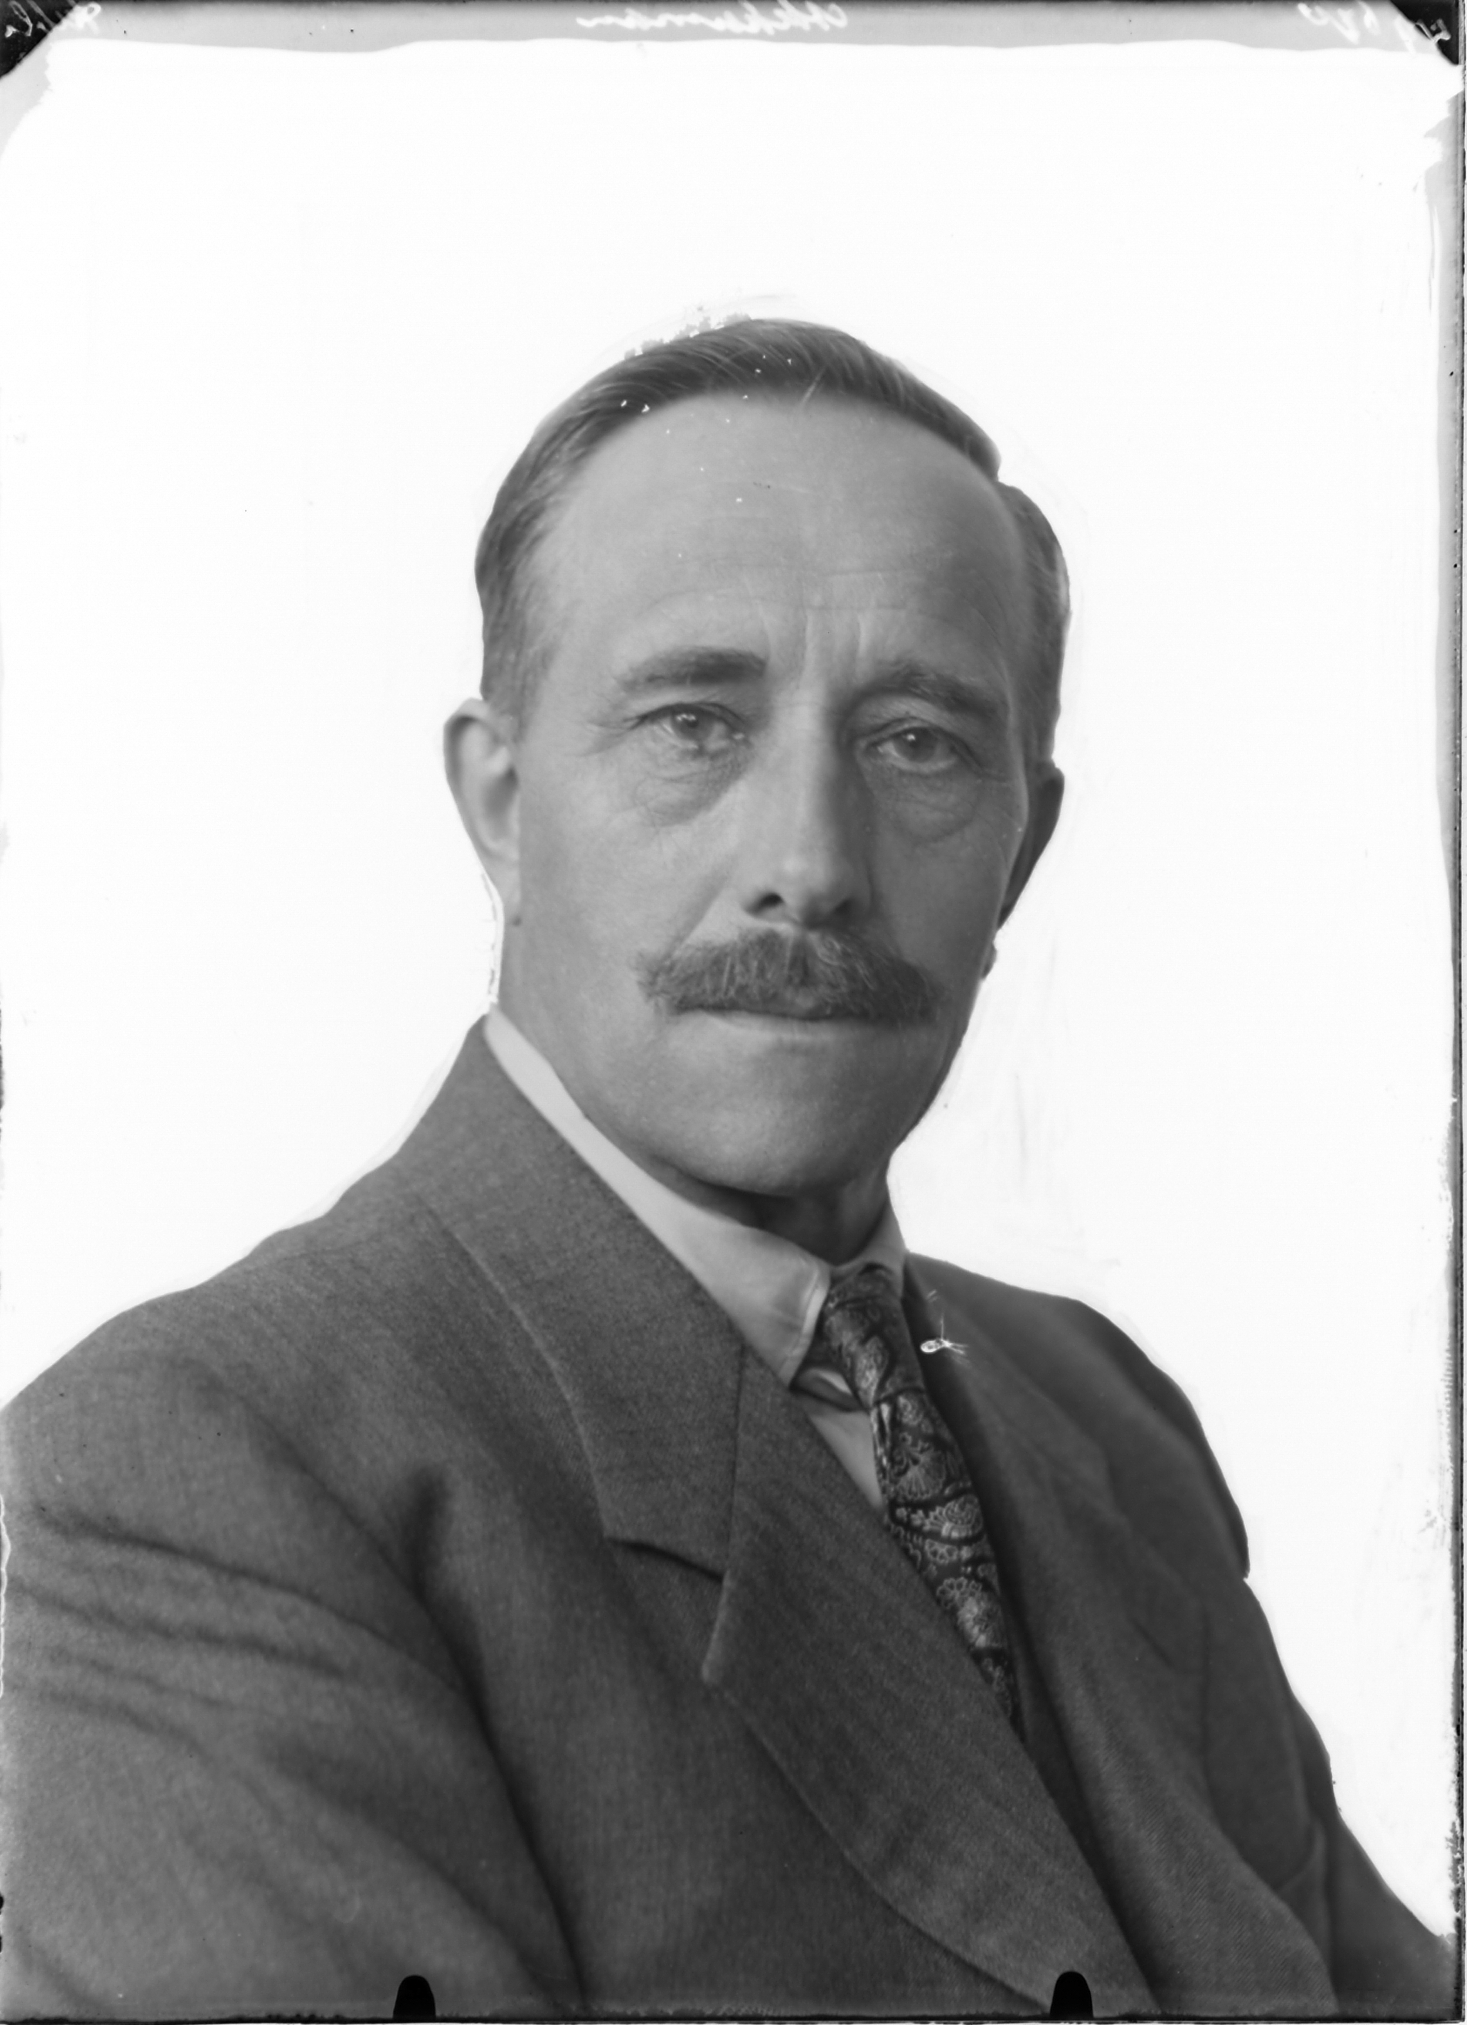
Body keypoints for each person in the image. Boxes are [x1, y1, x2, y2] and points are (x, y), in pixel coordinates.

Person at [0, 320, 1453, 2021]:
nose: (811, 863)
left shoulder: (1101, 1409)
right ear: (499, 805)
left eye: (918, 741)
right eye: (695, 724)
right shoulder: (201, 1463)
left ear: (1023, 848)